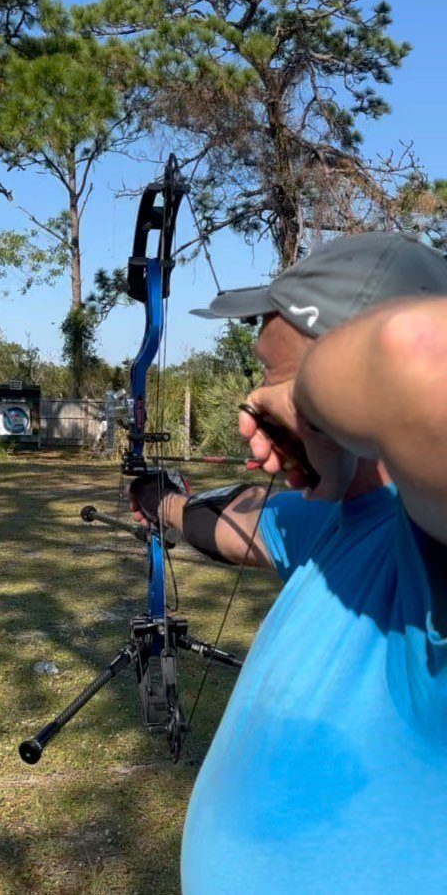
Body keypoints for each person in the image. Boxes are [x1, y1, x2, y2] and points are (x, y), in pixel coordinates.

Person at [129, 232, 447, 894]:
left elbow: (419, 354)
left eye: (272, 376)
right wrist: (160, 501)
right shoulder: (331, 525)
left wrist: (307, 399)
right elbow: (242, 522)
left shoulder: (427, 562)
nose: (257, 405)